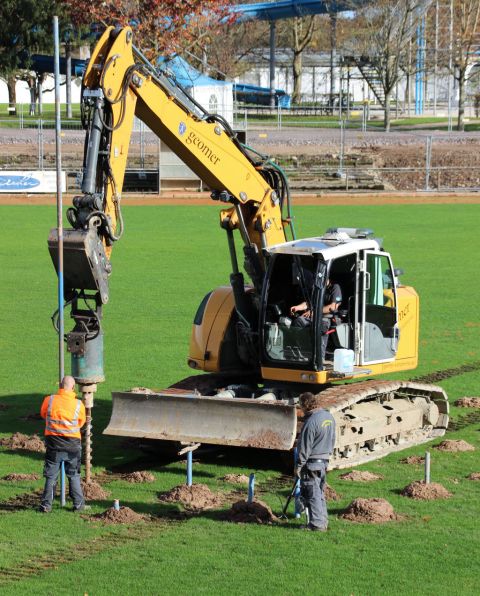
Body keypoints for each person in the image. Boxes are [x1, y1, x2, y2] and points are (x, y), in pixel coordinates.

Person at [38, 375, 87, 513]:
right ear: (73, 388)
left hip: (53, 445)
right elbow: (81, 423)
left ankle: (46, 505)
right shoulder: (78, 404)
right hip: (72, 446)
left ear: (60, 385)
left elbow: (43, 414)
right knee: (74, 475)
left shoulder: (50, 400)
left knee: (51, 476)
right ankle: (78, 504)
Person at [295, 392, 336, 531]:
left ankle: (316, 525)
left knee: (313, 494)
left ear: (304, 405)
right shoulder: (329, 417)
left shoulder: (311, 422)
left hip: (312, 463)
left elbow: (304, 447)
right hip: (324, 461)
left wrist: (299, 466)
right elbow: (332, 439)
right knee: (319, 493)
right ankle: (323, 522)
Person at [290, 277, 342, 361]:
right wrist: (297, 307)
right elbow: (308, 303)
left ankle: (319, 359)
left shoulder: (335, 288)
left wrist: (314, 312)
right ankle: (303, 353)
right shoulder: (317, 289)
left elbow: (332, 307)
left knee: (318, 327)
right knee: (298, 321)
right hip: (313, 317)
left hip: (326, 318)